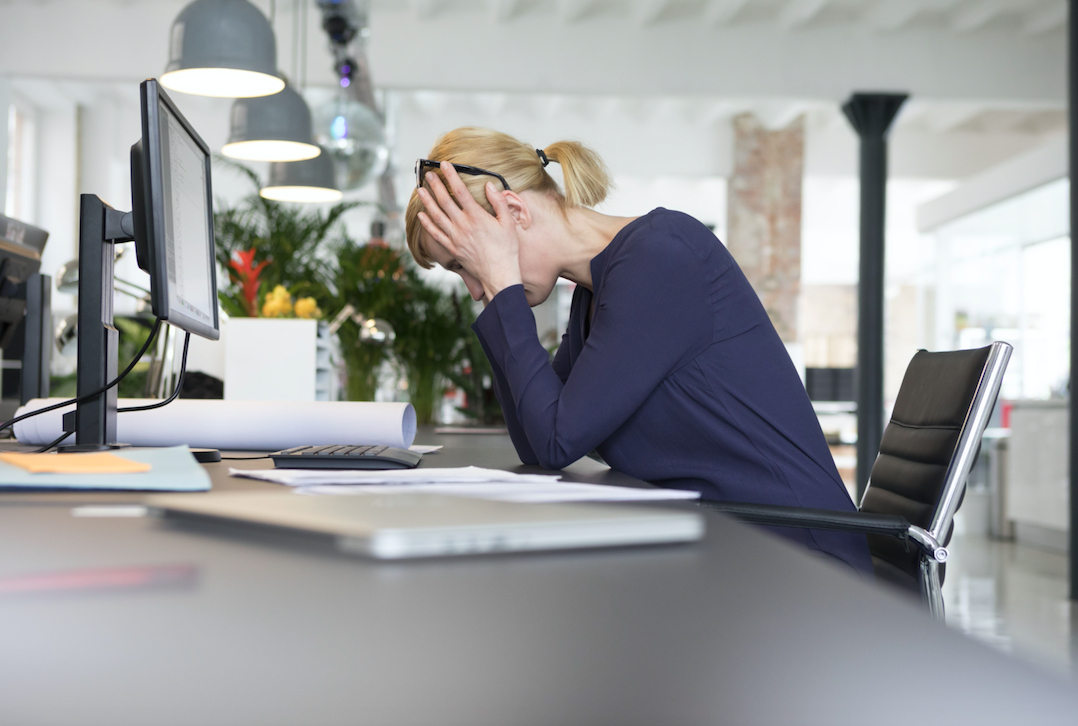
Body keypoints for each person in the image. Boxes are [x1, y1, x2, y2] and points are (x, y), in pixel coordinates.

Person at [406, 127, 872, 575]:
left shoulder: (660, 257)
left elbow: (554, 441)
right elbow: (535, 441)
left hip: (796, 560)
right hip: (720, 547)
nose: (474, 287)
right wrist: (499, 292)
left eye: (467, 263)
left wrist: (502, 283)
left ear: (514, 211)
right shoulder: (594, 292)